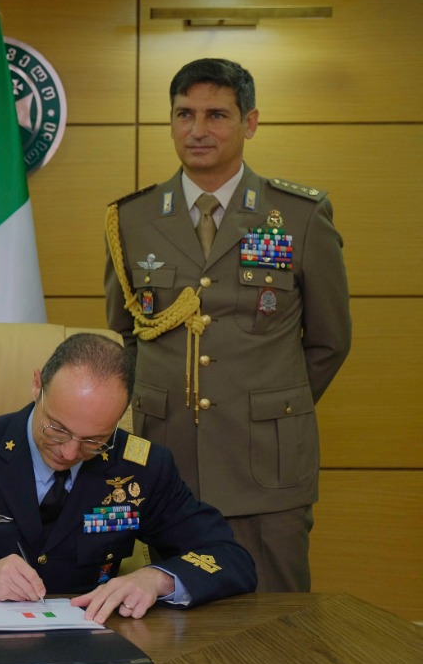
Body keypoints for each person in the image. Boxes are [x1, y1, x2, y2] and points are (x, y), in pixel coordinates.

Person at [103, 58, 352, 592]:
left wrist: (270, 408)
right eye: (184, 114)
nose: (197, 130)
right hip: (171, 458)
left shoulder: (300, 216)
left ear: (250, 122)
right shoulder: (132, 219)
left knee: (277, 616)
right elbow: (128, 334)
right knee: (174, 612)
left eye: (216, 115)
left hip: (267, 462)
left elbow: (329, 342)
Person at [0, 333, 255, 621]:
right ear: (37, 385)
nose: (68, 452)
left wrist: (157, 579)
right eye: (57, 429)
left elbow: (231, 558)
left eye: (94, 440)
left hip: (96, 641)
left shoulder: (143, 467)